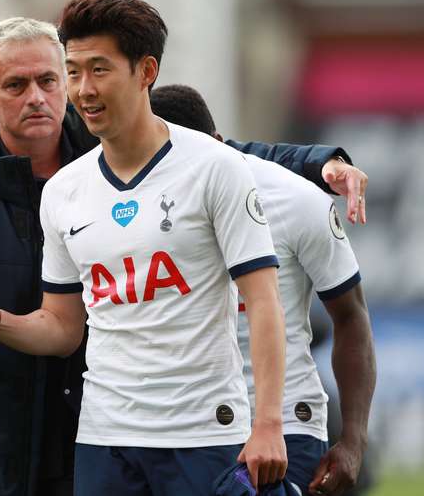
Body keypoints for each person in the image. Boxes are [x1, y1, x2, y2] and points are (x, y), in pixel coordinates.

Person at [0, 15, 369, 496]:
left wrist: (314, 161)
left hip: (114, 428)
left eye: (49, 80)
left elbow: (209, 150)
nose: (38, 97)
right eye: (16, 85)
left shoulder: (116, 142)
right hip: (1, 443)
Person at [150, 84, 377, 496]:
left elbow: (351, 316)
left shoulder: (295, 199)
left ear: (222, 146)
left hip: (286, 429)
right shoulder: (133, 206)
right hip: (176, 428)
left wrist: (355, 440)